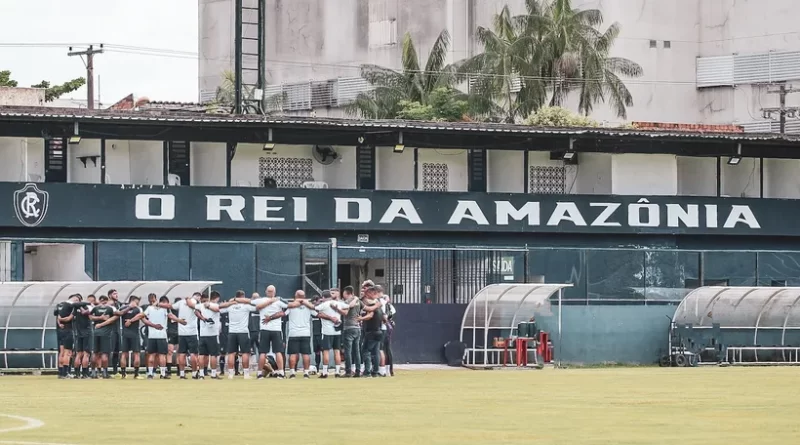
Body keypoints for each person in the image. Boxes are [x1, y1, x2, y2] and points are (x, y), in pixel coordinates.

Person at [162, 293, 202, 379]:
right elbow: (193, 307)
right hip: (192, 333)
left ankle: (182, 373)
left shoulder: (180, 303)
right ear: (197, 297)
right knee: (193, 354)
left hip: (182, 333)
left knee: (181, 354)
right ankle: (194, 373)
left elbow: (170, 306)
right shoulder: (196, 303)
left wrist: (159, 304)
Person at [251, 285, 288, 379]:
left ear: (266, 292)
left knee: (263, 352)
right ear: (274, 292)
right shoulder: (278, 301)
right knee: (278, 352)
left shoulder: (261, 300)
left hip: (265, 329)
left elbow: (249, 302)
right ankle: (281, 373)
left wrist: (235, 300)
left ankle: (259, 373)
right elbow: (288, 306)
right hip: (276, 330)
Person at [141, 296, 181, 379]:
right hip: (161, 336)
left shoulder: (149, 308)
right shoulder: (165, 309)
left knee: (151, 355)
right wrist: (180, 320)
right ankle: (162, 374)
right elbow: (171, 316)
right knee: (161, 356)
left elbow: (142, 316)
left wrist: (149, 323)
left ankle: (150, 373)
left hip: (152, 336)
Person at [219, 291, 257, 379]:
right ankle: (246, 374)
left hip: (232, 332)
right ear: (242, 297)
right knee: (245, 353)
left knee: (231, 353)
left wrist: (231, 302)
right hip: (243, 332)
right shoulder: (246, 306)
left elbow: (220, 308)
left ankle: (230, 374)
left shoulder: (230, 306)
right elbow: (256, 306)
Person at [315, 288, 348, 378]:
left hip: (326, 332)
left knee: (326, 351)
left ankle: (325, 372)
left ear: (323, 297)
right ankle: (337, 372)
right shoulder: (338, 304)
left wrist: (319, 302)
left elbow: (314, 309)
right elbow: (348, 306)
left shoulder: (324, 305)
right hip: (337, 331)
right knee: (337, 351)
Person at [54, 294, 89, 379]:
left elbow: (57, 316)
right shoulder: (71, 305)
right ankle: (66, 373)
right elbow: (69, 318)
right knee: (68, 353)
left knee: (61, 352)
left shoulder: (60, 305)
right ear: (75, 299)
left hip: (60, 331)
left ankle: (61, 373)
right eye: (77, 300)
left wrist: (60, 322)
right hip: (68, 331)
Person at [285, 289, 318, 379]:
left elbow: (284, 314)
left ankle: (292, 373)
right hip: (305, 333)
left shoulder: (291, 306)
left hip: (293, 333)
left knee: (292, 354)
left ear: (295, 296)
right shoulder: (308, 306)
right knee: (305, 354)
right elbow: (316, 314)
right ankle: (306, 373)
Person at [358, 285, 386, 377]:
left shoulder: (373, 305)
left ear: (371, 294)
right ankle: (375, 371)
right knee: (376, 352)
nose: (365, 296)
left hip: (371, 331)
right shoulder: (379, 306)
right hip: (379, 330)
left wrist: (360, 318)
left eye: (366, 293)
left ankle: (367, 371)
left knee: (365, 351)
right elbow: (384, 319)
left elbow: (369, 313)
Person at [89, 295, 117, 379]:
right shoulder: (111, 308)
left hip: (96, 332)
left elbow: (90, 317)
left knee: (95, 353)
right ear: (107, 300)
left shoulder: (95, 308)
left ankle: (93, 373)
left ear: (100, 300)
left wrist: (98, 318)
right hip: (106, 333)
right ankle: (105, 373)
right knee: (105, 354)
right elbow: (116, 315)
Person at [117, 296, 144, 379]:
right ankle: (136, 374)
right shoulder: (138, 309)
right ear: (132, 301)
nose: (138, 303)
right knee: (136, 353)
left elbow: (118, 313)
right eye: (137, 301)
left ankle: (123, 374)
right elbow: (141, 316)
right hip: (134, 334)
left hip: (125, 334)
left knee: (124, 354)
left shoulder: (123, 308)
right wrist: (131, 320)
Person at [198, 291, 223, 379]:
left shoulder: (201, 305)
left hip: (202, 334)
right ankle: (213, 373)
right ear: (217, 298)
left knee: (202, 355)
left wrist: (202, 318)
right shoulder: (215, 305)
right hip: (212, 334)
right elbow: (218, 309)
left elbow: (195, 311)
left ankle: (201, 374)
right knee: (213, 354)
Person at [341, 286, 362, 377]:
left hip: (349, 327)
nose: (343, 296)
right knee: (356, 351)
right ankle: (358, 370)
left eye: (344, 294)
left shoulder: (347, 302)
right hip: (357, 328)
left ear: (347, 293)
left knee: (348, 351)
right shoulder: (358, 301)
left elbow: (346, 311)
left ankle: (348, 371)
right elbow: (365, 309)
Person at [73, 294, 95, 378]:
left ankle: (77, 373)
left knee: (79, 353)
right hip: (87, 332)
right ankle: (85, 373)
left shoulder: (75, 308)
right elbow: (86, 314)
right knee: (86, 354)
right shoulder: (86, 307)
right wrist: (88, 305)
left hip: (79, 333)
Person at [166, 297, 181, 377]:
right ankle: (169, 370)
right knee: (170, 351)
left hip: (180, 332)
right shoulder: (170, 310)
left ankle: (179, 370)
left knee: (179, 352)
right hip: (171, 332)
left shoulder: (183, 311)